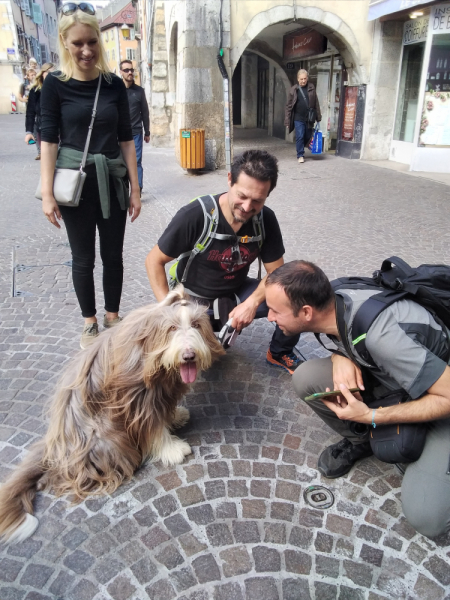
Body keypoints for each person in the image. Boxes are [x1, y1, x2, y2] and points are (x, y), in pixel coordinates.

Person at [265, 260, 450, 538]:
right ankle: (363, 440)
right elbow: (349, 328)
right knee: (307, 377)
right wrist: (341, 354)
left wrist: (372, 416)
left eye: (275, 310)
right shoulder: (334, 295)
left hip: (441, 398)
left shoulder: (383, 338)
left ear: (306, 312)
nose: (269, 317)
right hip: (394, 379)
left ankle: (400, 438)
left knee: (426, 518)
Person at [145, 149, 302, 374]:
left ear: (268, 194)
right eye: (242, 196)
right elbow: (153, 261)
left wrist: (251, 304)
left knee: (295, 292)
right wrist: (170, 312)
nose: (248, 207)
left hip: (235, 295)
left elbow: (277, 273)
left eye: (257, 200)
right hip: (193, 300)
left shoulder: (265, 219)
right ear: (229, 179)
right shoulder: (196, 215)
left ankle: (279, 353)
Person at [40, 3, 141, 349]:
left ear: (99, 41)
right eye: (78, 43)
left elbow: (127, 138)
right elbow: (49, 139)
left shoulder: (113, 84)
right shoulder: (54, 84)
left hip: (112, 181)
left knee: (114, 255)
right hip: (76, 185)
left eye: (92, 42)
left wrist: (136, 188)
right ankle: (90, 322)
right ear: (65, 44)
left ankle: (113, 316)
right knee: (83, 257)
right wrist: (47, 191)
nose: (86, 50)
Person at [119, 59, 150, 196]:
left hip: (136, 131)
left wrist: (147, 131)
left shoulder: (139, 91)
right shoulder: (117, 91)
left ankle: (138, 189)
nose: (130, 72)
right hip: (120, 132)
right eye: (126, 70)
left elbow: (145, 112)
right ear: (121, 72)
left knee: (136, 161)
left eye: (131, 70)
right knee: (122, 162)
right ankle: (125, 188)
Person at [284, 69, 321, 164]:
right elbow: (288, 106)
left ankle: (302, 146)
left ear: (307, 78)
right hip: (297, 118)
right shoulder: (293, 90)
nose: (303, 81)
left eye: (305, 78)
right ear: (298, 79)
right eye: (301, 79)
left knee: (308, 135)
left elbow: (316, 102)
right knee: (300, 136)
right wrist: (287, 121)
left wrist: (318, 117)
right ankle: (300, 155)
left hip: (309, 118)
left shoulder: (311, 87)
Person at [25, 62, 55, 160]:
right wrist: (29, 132)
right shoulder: (35, 90)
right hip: (42, 127)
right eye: (48, 72)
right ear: (42, 74)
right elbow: (30, 112)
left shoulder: (59, 88)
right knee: (46, 156)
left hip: (58, 128)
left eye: (53, 72)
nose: (51, 75)